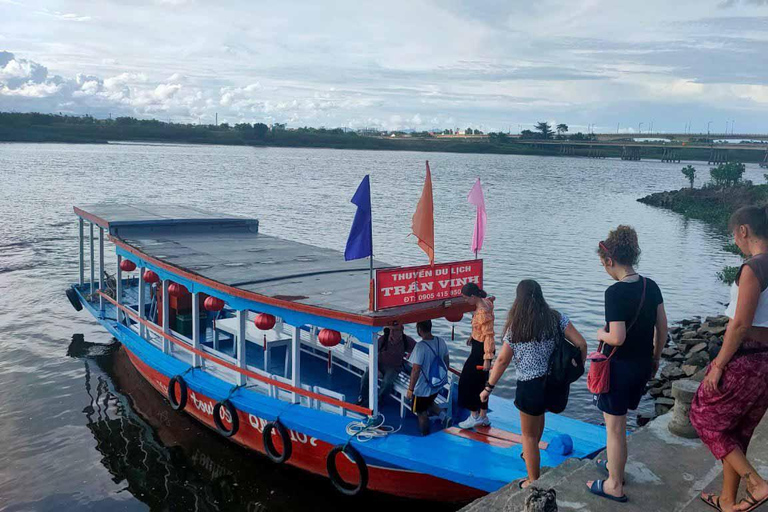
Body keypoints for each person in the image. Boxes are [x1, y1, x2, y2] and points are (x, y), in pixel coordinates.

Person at [690, 206, 768, 512]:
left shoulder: (754, 268)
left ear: (744, 231)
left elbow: (739, 324)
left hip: (746, 359)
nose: (735, 241)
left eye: (734, 235)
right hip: (766, 363)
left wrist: (719, 365)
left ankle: (757, 483)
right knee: (737, 431)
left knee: (703, 417)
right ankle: (727, 500)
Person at [587, 225, 667, 503]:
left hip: (618, 369)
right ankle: (614, 467)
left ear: (610, 261)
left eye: (603, 264)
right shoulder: (651, 286)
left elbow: (617, 337)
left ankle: (613, 484)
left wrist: (600, 333)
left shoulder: (615, 292)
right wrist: (655, 358)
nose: (605, 269)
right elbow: (663, 329)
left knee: (615, 428)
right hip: (643, 364)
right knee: (621, 424)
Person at [481, 280, 587, 489]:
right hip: (553, 384)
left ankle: (533, 482)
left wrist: (488, 388)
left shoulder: (516, 327)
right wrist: (575, 371)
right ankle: (530, 455)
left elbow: (502, 361)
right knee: (539, 420)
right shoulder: (556, 318)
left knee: (528, 437)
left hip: (530, 386)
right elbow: (581, 344)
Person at [457, 282, 496, 429]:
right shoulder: (485, 303)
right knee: (481, 382)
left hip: (482, 351)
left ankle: (474, 415)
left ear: (473, 296)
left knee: (467, 382)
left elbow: (489, 335)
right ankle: (483, 415)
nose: (466, 301)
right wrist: (472, 336)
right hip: (479, 345)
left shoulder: (482, 312)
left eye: (466, 298)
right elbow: (490, 300)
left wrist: (487, 357)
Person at [407, 320, 450, 436]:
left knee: (421, 411)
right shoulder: (440, 341)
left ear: (419, 330)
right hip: (437, 384)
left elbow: (415, 370)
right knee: (429, 402)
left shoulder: (420, 346)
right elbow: (446, 361)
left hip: (422, 388)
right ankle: (444, 416)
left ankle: (425, 434)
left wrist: (410, 389)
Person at [357, 324, 416, 407]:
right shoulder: (383, 339)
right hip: (379, 364)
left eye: (395, 330)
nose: (392, 332)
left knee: (387, 382)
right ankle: (362, 397)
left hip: (394, 367)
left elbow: (418, 349)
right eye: (390, 330)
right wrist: (376, 369)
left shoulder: (406, 340)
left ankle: (379, 401)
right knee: (366, 377)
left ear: (401, 330)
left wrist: (411, 353)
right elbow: (372, 353)